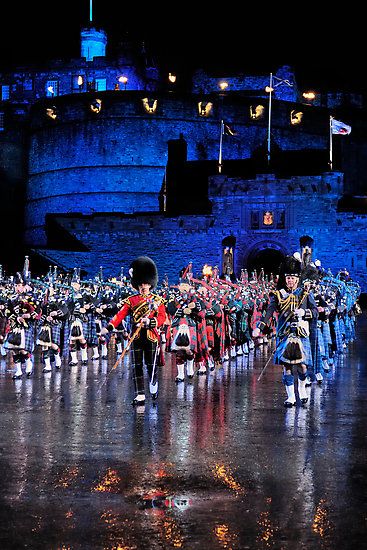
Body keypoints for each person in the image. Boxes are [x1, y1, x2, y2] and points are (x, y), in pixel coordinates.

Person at [253, 255, 318, 407]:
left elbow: (315, 311)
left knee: (302, 365)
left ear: (297, 279)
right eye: (287, 278)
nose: (290, 280)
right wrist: (259, 327)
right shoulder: (278, 295)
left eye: (292, 278)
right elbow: (268, 313)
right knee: (287, 365)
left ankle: (302, 390)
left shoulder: (305, 293)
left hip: (301, 333)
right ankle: (290, 397)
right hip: (285, 333)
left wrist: (304, 313)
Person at [101, 256, 167, 406]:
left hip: (151, 336)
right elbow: (120, 315)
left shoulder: (157, 300)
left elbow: (162, 317)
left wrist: (150, 322)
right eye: (141, 283)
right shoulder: (131, 300)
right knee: (136, 365)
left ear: (151, 283)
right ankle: (140, 394)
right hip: (136, 336)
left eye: (146, 283)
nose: (143, 286)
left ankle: (153, 384)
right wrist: (109, 327)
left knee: (151, 365)